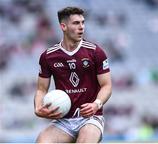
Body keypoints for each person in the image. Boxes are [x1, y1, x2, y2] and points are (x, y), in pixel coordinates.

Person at [34, 6, 112, 143]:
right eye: (76, 23)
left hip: (91, 118)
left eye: (83, 22)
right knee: (42, 141)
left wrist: (96, 104)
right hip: (64, 121)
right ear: (63, 26)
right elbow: (41, 89)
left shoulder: (95, 52)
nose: (81, 27)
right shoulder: (48, 57)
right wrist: (37, 108)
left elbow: (107, 86)